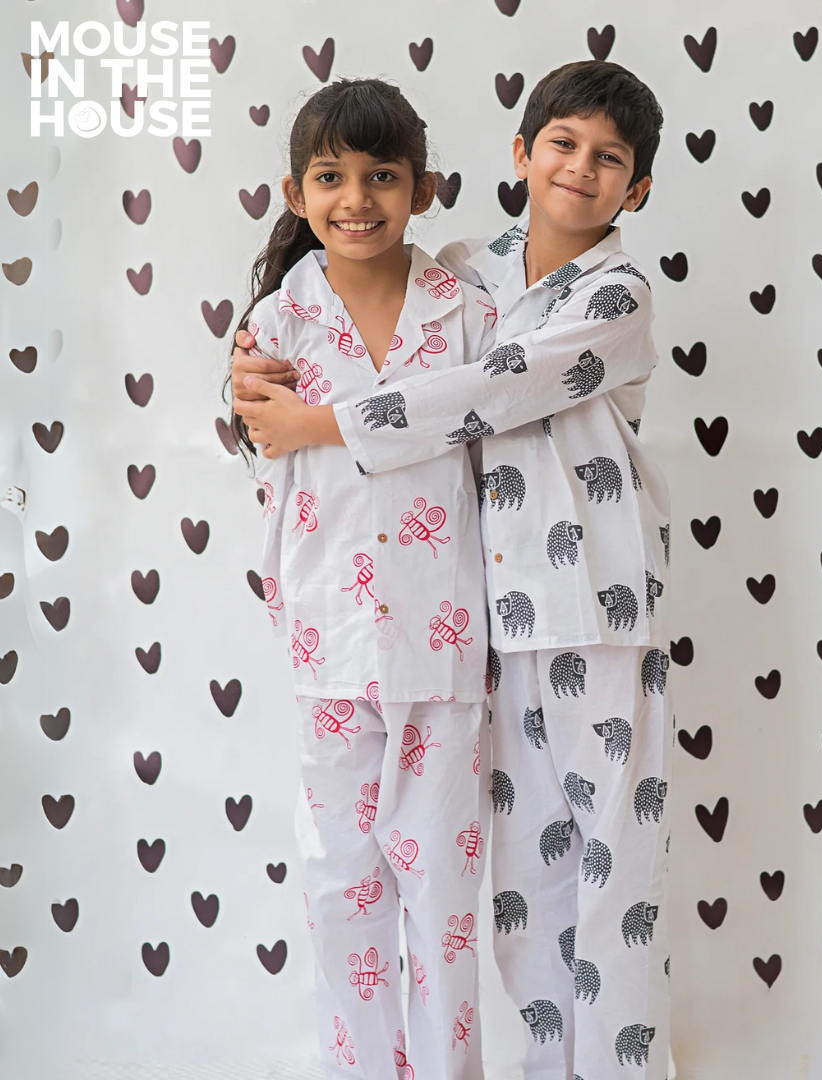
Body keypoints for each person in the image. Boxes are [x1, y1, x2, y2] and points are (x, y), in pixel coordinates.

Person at [234, 61, 673, 1080]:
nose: (581, 167)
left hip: (594, 605)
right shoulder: (476, 272)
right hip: (494, 622)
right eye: (562, 143)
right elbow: (300, 377)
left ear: (638, 187)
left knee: (612, 871)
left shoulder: (609, 295)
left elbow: (490, 391)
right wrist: (249, 381)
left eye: (608, 157)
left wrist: (318, 422)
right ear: (520, 156)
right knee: (525, 884)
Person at [228, 76, 494, 1080]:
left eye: (383, 176)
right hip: (329, 639)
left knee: (443, 903)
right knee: (342, 887)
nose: (357, 198)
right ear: (297, 194)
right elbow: (265, 451)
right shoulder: (279, 323)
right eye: (331, 177)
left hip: (445, 643)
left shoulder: (467, 315)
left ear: (422, 190)